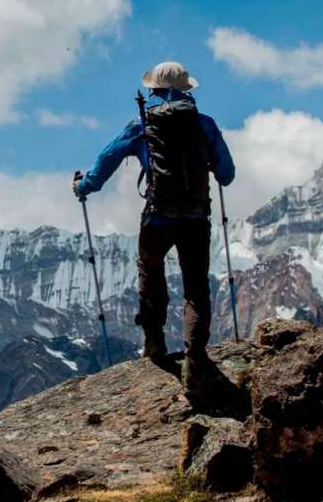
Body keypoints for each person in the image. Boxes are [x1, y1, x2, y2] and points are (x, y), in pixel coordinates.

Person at [73, 61, 234, 403]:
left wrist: (82, 186)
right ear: (188, 90)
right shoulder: (205, 125)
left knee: (150, 268)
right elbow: (227, 174)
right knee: (195, 289)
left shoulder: (142, 125)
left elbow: (104, 164)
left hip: (157, 217)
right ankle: (194, 361)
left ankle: (154, 341)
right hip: (195, 218)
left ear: (152, 90)